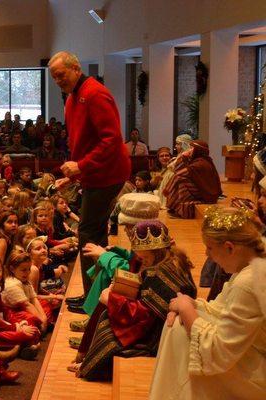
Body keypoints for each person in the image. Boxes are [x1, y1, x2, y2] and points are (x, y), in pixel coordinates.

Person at [149, 207, 266, 399]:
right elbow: (221, 310)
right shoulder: (252, 259)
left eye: (210, 248)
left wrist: (187, 310)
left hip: (259, 374)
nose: (206, 254)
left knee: (180, 331)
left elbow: (220, 352)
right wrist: (187, 304)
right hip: (251, 353)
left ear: (230, 247)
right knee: (181, 322)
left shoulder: (249, 281)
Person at [49, 51, 131, 304]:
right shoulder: (73, 97)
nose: (58, 81)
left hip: (107, 175)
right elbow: (86, 143)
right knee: (94, 233)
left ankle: (92, 298)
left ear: (76, 68)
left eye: (61, 75)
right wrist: (74, 176)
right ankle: (98, 293)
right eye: (54, 78)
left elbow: (111, 140)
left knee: (88, 233)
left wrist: (81, 166)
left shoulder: (94, 94)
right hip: (95, 174)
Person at [73, 220, 197, 381]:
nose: (141, 260)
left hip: (157, 332)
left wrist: (111, 299)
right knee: (106, 316)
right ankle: (86, 356)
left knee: (109, 332)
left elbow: (144, 315)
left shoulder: (158, 273)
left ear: (157, 251)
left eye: (144, 257)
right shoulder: (170, 259)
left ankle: (89, 363)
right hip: (157, 321)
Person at [163, 140, 222, 219]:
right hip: (203, 190)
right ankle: (174, 207)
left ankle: (179, 209)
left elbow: (179, 173)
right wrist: (183, 157)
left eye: (191, 148)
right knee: (180, 179)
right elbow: (176, 169)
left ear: (198, 150)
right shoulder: (199, 160)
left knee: (181, 181)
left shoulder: (200, 163)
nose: (189, 150)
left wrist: (167, 190)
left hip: (207, 194)